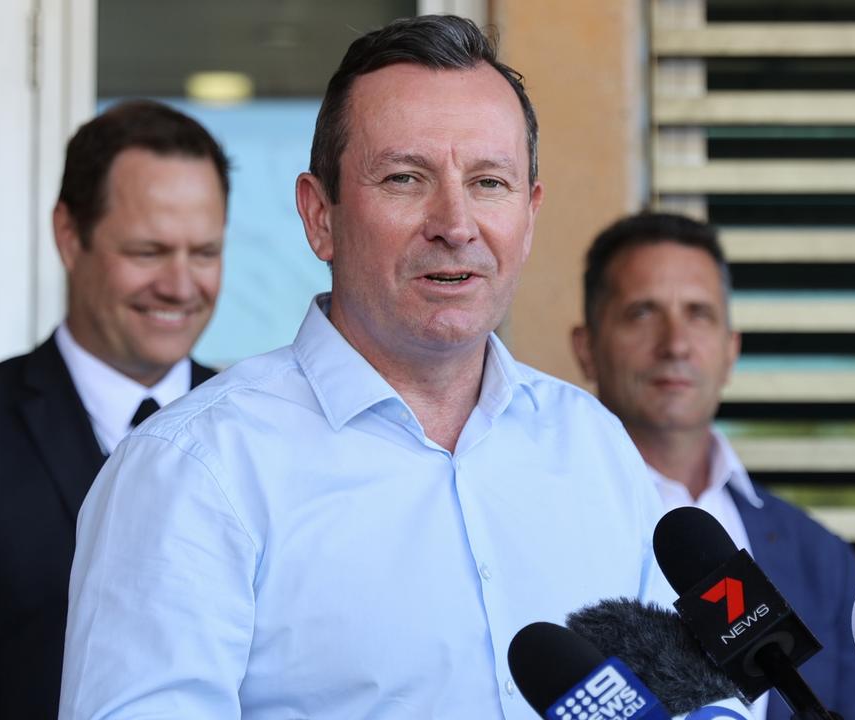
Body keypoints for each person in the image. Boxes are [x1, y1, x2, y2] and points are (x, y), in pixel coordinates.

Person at [59, 15, 669, 720]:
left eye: (489, 182)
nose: (456, 223)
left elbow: (693, 692)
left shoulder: (592, 443)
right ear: (321, 217)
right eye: (405, 178)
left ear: (528, 217)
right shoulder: (193, 469)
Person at [0, 99, 230, 720]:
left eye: (205, 252)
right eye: (147, 251)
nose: (180, 284)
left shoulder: (262, 429)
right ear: (69, 236)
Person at [570, 212, 855, 720]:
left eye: (698, 313)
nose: (675, 344)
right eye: (642, 312)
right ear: (585, 348)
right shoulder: (543, 525)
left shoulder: (819, 555)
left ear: (731, 349)